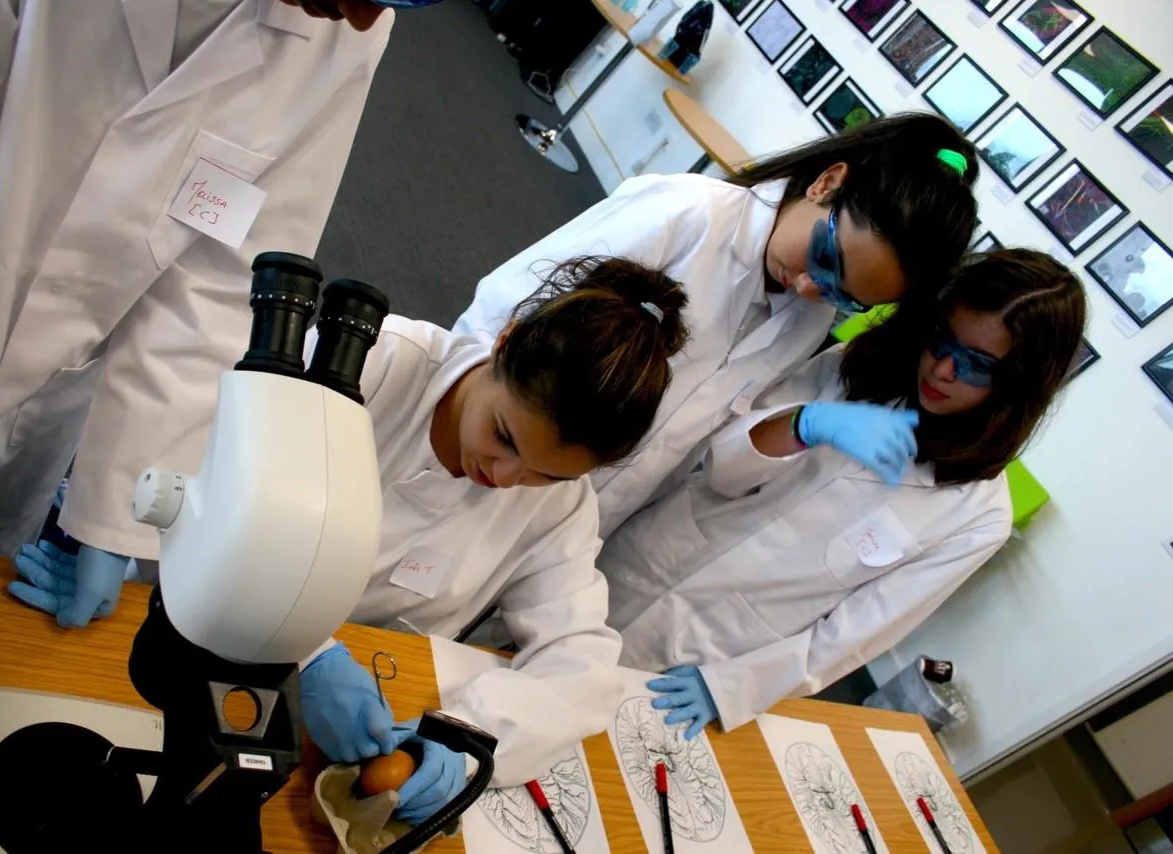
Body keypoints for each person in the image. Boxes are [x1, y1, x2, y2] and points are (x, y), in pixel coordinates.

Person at [0, 0, 417, 603]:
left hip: (44, 411)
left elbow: (219, 280)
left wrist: (116, 516)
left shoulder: (345, 33)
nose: (360, 17)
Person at [600, 249, 1086, 737]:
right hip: (643, 559)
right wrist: (804, 424)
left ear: (1018, 386)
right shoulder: (855, 368)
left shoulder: (978, 516)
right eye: (943, 341)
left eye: (977, 365)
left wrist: (728, 687)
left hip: (712, 656)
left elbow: (855, 634)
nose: (942, 370)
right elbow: (721, 469)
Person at [273, 256, 683, 826]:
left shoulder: (562, 506)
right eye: (504, 436)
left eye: (549, 474)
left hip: (373, 694)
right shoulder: (377, 362)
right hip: (214, 623)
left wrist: (470, 741)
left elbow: (581, 660)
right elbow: (228, 492)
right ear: (503, 342)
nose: (508, 478)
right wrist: (306, 653)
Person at [455, 113, 981, 538]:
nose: (810, 288)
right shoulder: (686, 214)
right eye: (824, 257)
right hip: (488, 466)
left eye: (847, 297)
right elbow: (500, 316)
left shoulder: (805, 324)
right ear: (827, 182)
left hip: (569, 530)